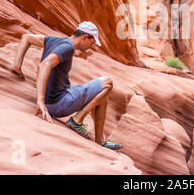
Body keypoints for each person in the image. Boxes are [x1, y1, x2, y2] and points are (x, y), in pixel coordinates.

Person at [10, 21, 123, 150]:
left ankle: (100, 140)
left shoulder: (54, 40)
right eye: (92, 43)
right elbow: (44, 65)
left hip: (57, 98)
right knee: (107, 82)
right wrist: (40, 101)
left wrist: (17, 66)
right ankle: (76, 121)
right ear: (85, 37)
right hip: (58, 103)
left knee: (102, 95)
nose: (91, 47)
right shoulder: (67, 47)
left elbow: (27, 37)